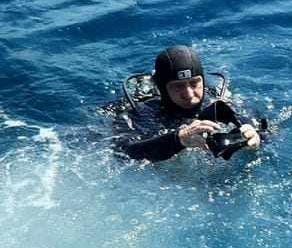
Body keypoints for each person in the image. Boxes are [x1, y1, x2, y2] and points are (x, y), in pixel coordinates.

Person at [111, 45, 262, 162]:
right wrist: (179, 138)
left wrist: (256, 137)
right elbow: (124, 153)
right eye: (177, 86)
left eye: (194, 83)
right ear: (162, 88)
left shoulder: (218, 102)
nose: (189, 95)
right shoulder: (141, 114)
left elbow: (268, 131)